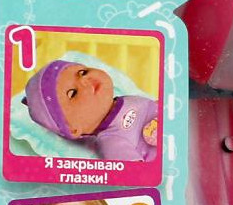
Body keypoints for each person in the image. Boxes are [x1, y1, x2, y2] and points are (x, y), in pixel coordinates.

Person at [24, 59, 158, 162]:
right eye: (73, 93)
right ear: (72, 129)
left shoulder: (126, 99)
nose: (85, 80)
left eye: (82, 72)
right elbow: (135, 174)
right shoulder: (111, 140)